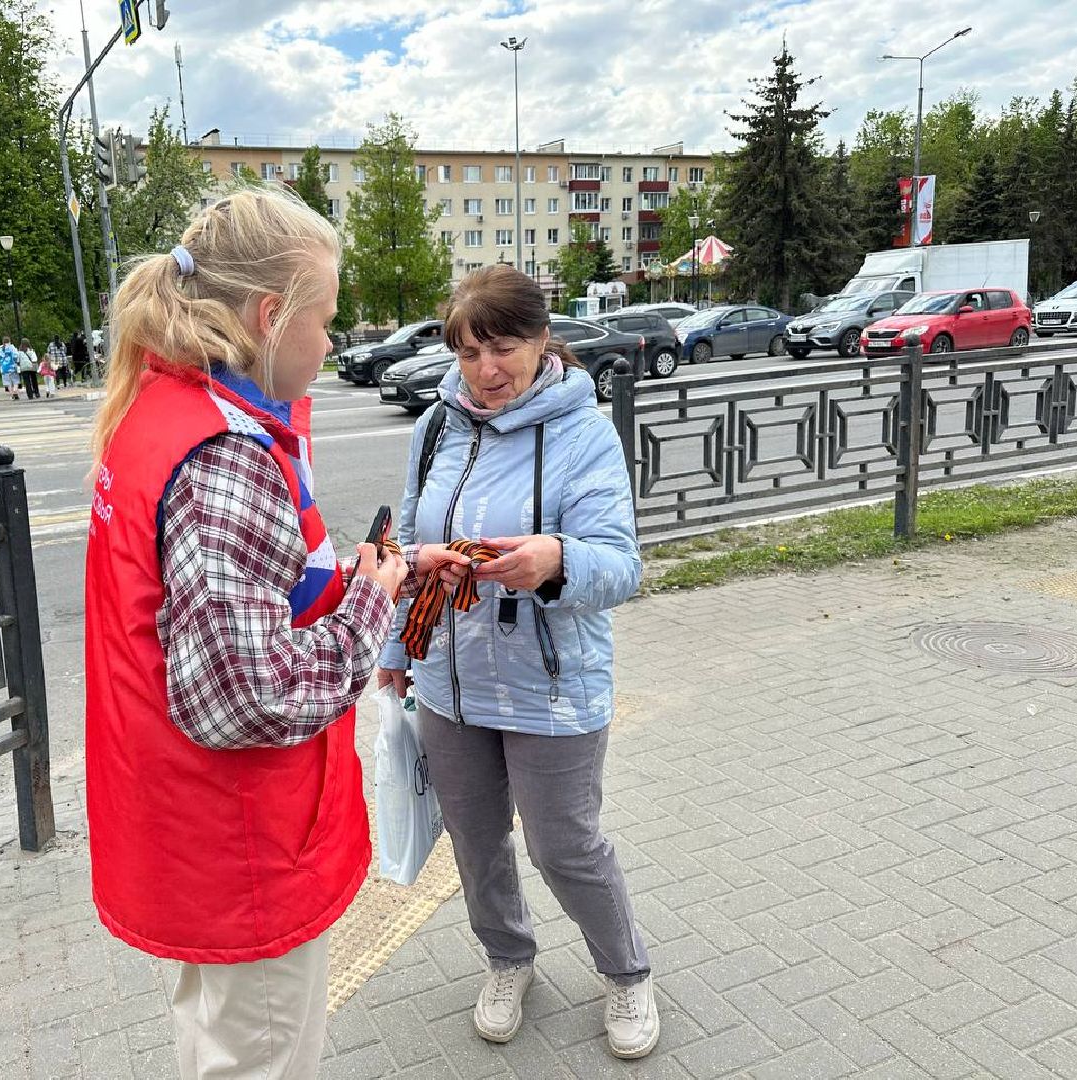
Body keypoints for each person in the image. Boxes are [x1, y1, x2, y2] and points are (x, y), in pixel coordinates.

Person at [83, 187, 469, 1079]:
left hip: (196, 829)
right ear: (270, 315)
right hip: (241, 841)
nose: (333, 343)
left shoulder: (169, 412)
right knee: (257, 1056)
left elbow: (252, 596)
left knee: (219, 1041)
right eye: (326, 320)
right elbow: (249, 696)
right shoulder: (226, 454)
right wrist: (374, 608)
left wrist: (388, 569)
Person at [377, 264, 654, 1060]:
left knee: (564, 845)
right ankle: (508, 959)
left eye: (501, 347)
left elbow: (620, 564)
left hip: (552, 682)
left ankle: (626, 973)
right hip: (449, 681)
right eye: (468, 353)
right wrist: (400, 647)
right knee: (474, 837)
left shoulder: (583, 430)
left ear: (540, 339)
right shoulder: (437, 426)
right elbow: (405, 549)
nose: (486, 370)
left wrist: (555, 561)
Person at [0, 336, 21, 401]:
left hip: (4, 368)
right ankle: (15, 391)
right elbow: (16, 355)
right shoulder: (12, 347)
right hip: (12, 367)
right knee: (15, 381)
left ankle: (12, 395)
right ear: (9, 341)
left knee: (8, 383)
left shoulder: (0, 348)